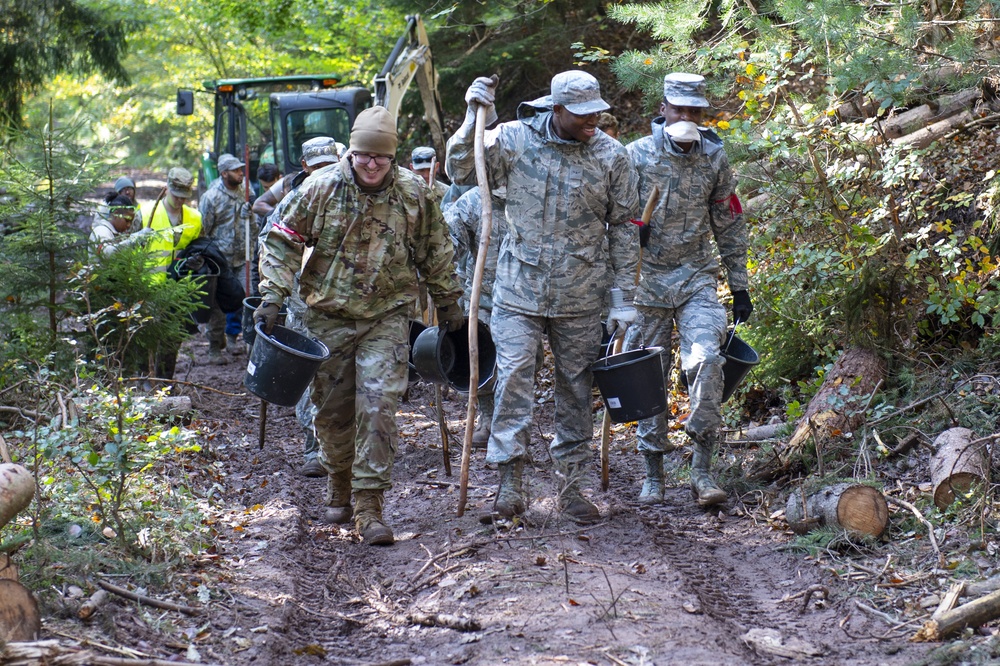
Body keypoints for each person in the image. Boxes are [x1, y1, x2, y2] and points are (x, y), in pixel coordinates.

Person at [256, 107, 463, 546]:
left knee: (378, 404)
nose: (371, 165)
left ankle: (370, 505)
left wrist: (450, 306)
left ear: (393, 159)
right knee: (331, 412)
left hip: (386, 317)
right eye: (363, 156)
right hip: (325, 317)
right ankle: (339, 482)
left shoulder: (414, 195)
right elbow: (281, 240)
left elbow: (436, 252)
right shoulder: (320, 187)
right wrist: (273, 295)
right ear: (350, 153)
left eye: (381, 158)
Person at [446, 71, 639, 524]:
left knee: (576, 388)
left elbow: (625, 227)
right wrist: (476, 117)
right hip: (517, 292)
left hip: (582, 295)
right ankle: (510, 483)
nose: (594, 120)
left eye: (597, 111)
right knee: (512, 377)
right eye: (582, 114)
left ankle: (572, 487)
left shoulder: (612, 155)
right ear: (555, 109)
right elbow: (460, 167)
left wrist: (622, 295)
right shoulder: (513, 140)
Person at [623, 72, 752, 508]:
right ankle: (653, 470)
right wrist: (629, 235)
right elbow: (612, 216)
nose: (686, 117)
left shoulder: (714, 158)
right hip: (646, 284)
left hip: (696, 277)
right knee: (648, 378)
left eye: (694, 110)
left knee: (707, 360)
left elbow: (729, 222)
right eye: (679, 109)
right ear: (663, 109)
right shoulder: (635, 156)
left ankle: (701, 466)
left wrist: (740, 286)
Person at [256, 136, 340, 480]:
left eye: (329, 166)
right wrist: (274, 295)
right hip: (303, 303)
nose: (323, 173)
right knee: (310, 373)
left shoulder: (351, 197)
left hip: (346, 304)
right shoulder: (292, 202)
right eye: (317, 167)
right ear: (305, 168)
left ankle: (346, 443)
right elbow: (271, 246)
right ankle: (314, 445)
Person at [443, 186, 507, 448]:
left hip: (525, 297)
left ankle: (508, 423)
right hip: (482, 295)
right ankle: (488, 418)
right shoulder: (472, 202)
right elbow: (448, 246)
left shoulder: (536, 194)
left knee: (520, 363)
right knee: (479, 358)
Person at [140, 167, 203, 378]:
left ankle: (165, 383)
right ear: (167, 188)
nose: (180, 201)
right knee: (146, 336)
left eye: (184, 197)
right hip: (149, 287)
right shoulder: (146, 213)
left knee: (172, 338)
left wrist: (196, 262)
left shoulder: (195, 218)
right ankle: (143, 380)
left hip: (178, 289)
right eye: (176, 196)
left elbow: (200, 247)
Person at [199, 153, 250, 363]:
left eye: (241, 169)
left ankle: (234, 339)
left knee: (243, 298)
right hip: (220, 261)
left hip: (242, 257)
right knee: (217, 305)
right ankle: (214, 347)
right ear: (224, 173)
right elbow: (204, 230)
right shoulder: (211, 198)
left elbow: (251, 222)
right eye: (236, 170)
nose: (241, 173)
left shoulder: (246, 190)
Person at [90, 192, 152, 257]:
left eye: (131, 222)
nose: (129, 225)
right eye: (127, 220)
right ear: (115, 214)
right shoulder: (101, 231)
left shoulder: (117, 234)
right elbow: (108, 253)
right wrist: (135, 240)